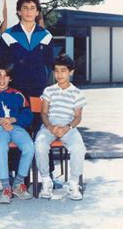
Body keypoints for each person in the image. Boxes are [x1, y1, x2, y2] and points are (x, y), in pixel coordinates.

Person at [35, 54, 87, 201]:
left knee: (78, 148)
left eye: (63, 70)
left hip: (68, 126)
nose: (59, 74)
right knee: (39, 145)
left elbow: (77, 117)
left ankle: (74, 183)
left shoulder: (77, 93)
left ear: (71, 72)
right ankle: (46, 180)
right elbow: (43, 113)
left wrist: (67, 127)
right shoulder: (48, 91)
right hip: (49, 125)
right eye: (56, 71)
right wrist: (50, 127)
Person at [0, 62, 34, 204]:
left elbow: (28, 115)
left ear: (10, 78)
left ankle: (18, 183)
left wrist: (13, 119)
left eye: (6, 76)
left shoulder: (18, 95)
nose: (2, 79)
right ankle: (6, 187)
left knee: (29, 146)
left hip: (15, 126)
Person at [0, 0, 53, 98]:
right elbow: (1, 64)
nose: (28, 12)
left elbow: (49, 64)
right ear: (19, 12)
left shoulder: (46, 36)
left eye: (32, 8)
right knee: (15, 114)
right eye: (25, 8)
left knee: (37, 114)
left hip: (39, 88)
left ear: (37, 12)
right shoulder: (8, 36)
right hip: (15, 88)